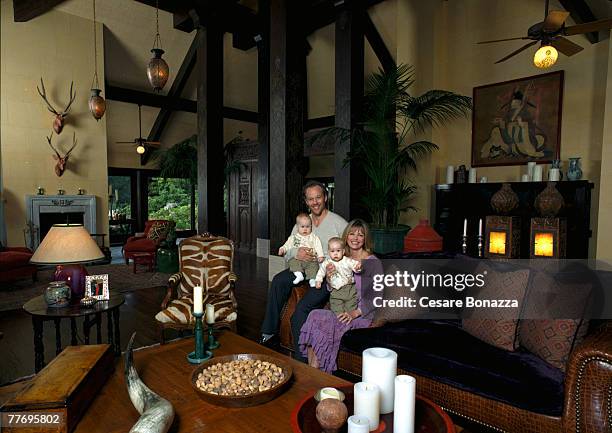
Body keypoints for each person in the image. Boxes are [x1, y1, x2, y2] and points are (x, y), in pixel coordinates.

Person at [260, 180, 348, 362]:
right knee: (278, 280)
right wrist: (296, 252)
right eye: (310, 199)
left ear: (325, 198)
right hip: (301, 267)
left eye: (318, 198)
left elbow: (349, 252)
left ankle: (302, 357)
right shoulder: (302, 223)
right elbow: (287, 252)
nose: (315, 202)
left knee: (302, 308)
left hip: (323, 275)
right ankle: (268, 332)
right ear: (306, 202)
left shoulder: (339, 223)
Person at [299, 219, 383, 373]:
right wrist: (330, 279)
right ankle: (313, 372)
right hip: (341, 309)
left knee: (323, 321)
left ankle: (316, 374)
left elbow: (376, 297)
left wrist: (355, 313)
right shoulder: (339, 257)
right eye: (352, 234)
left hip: (360, 314)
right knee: (314, 315)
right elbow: (334, 290)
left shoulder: (373, 263)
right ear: (346, 236)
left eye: (360, 235)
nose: (355, 238)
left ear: (365, 239)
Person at [314, 237, 362, 314]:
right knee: (337, 308)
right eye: (332, 251)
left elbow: (355, 266)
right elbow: (321, 272)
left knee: (351, 307)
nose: (335, 253)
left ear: (343, 251)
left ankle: (350, 319)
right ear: (328, 252)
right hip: (335, 291)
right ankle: (339, 318)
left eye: (338, 251)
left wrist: (358, 267)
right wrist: (318, 281)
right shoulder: (327, 263)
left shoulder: (347, 260)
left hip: (349, 288)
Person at [278, 213, 325, 286]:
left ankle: (312, 279)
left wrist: (320, 256)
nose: (305, 229)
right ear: (297, 227)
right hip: (298, 260)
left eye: (308, 226)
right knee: (292, 261)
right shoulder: (294, 238)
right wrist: (282, 249)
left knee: (314, 266)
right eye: (302, 226)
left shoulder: (314, 237)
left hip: (311, 259)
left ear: (311, 227)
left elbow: (318, 246)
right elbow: (287, 245)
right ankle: (298, 274)